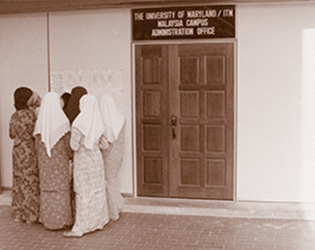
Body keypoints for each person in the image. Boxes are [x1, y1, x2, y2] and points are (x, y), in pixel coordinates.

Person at [64, 94, 109, 237]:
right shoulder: (99, 122)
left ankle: (80, 228)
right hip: (96, 160)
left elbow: (73, 146)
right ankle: (98, 222)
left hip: (83, 161)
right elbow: (105, 145)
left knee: (83, 193)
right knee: (97, 190)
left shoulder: (78, 123)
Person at [34, 92, 73, 230]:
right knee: (61, 189)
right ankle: (62, 220)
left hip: (44, 162)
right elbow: (68, 147)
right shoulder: (63, 122)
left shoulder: (40, 122)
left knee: (46, 189)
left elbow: (37, 146)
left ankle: (48, 220)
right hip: (60, 162)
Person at [9, 87, 40, 224]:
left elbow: (11, 134)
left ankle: (18, 213)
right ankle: (31, 215)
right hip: (28, 151)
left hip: (16, 151)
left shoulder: (14, 115)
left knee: (18, 180)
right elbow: (36, 133)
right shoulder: (31, 115)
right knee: (30, 181)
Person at [100, 94, 125, 221]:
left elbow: (105, 144)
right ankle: (118, 203)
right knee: (113, 179)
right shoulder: (120, 119)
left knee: (108, 180)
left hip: (108, 155)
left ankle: (113, 209)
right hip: (119, 153)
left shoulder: (105, 123)